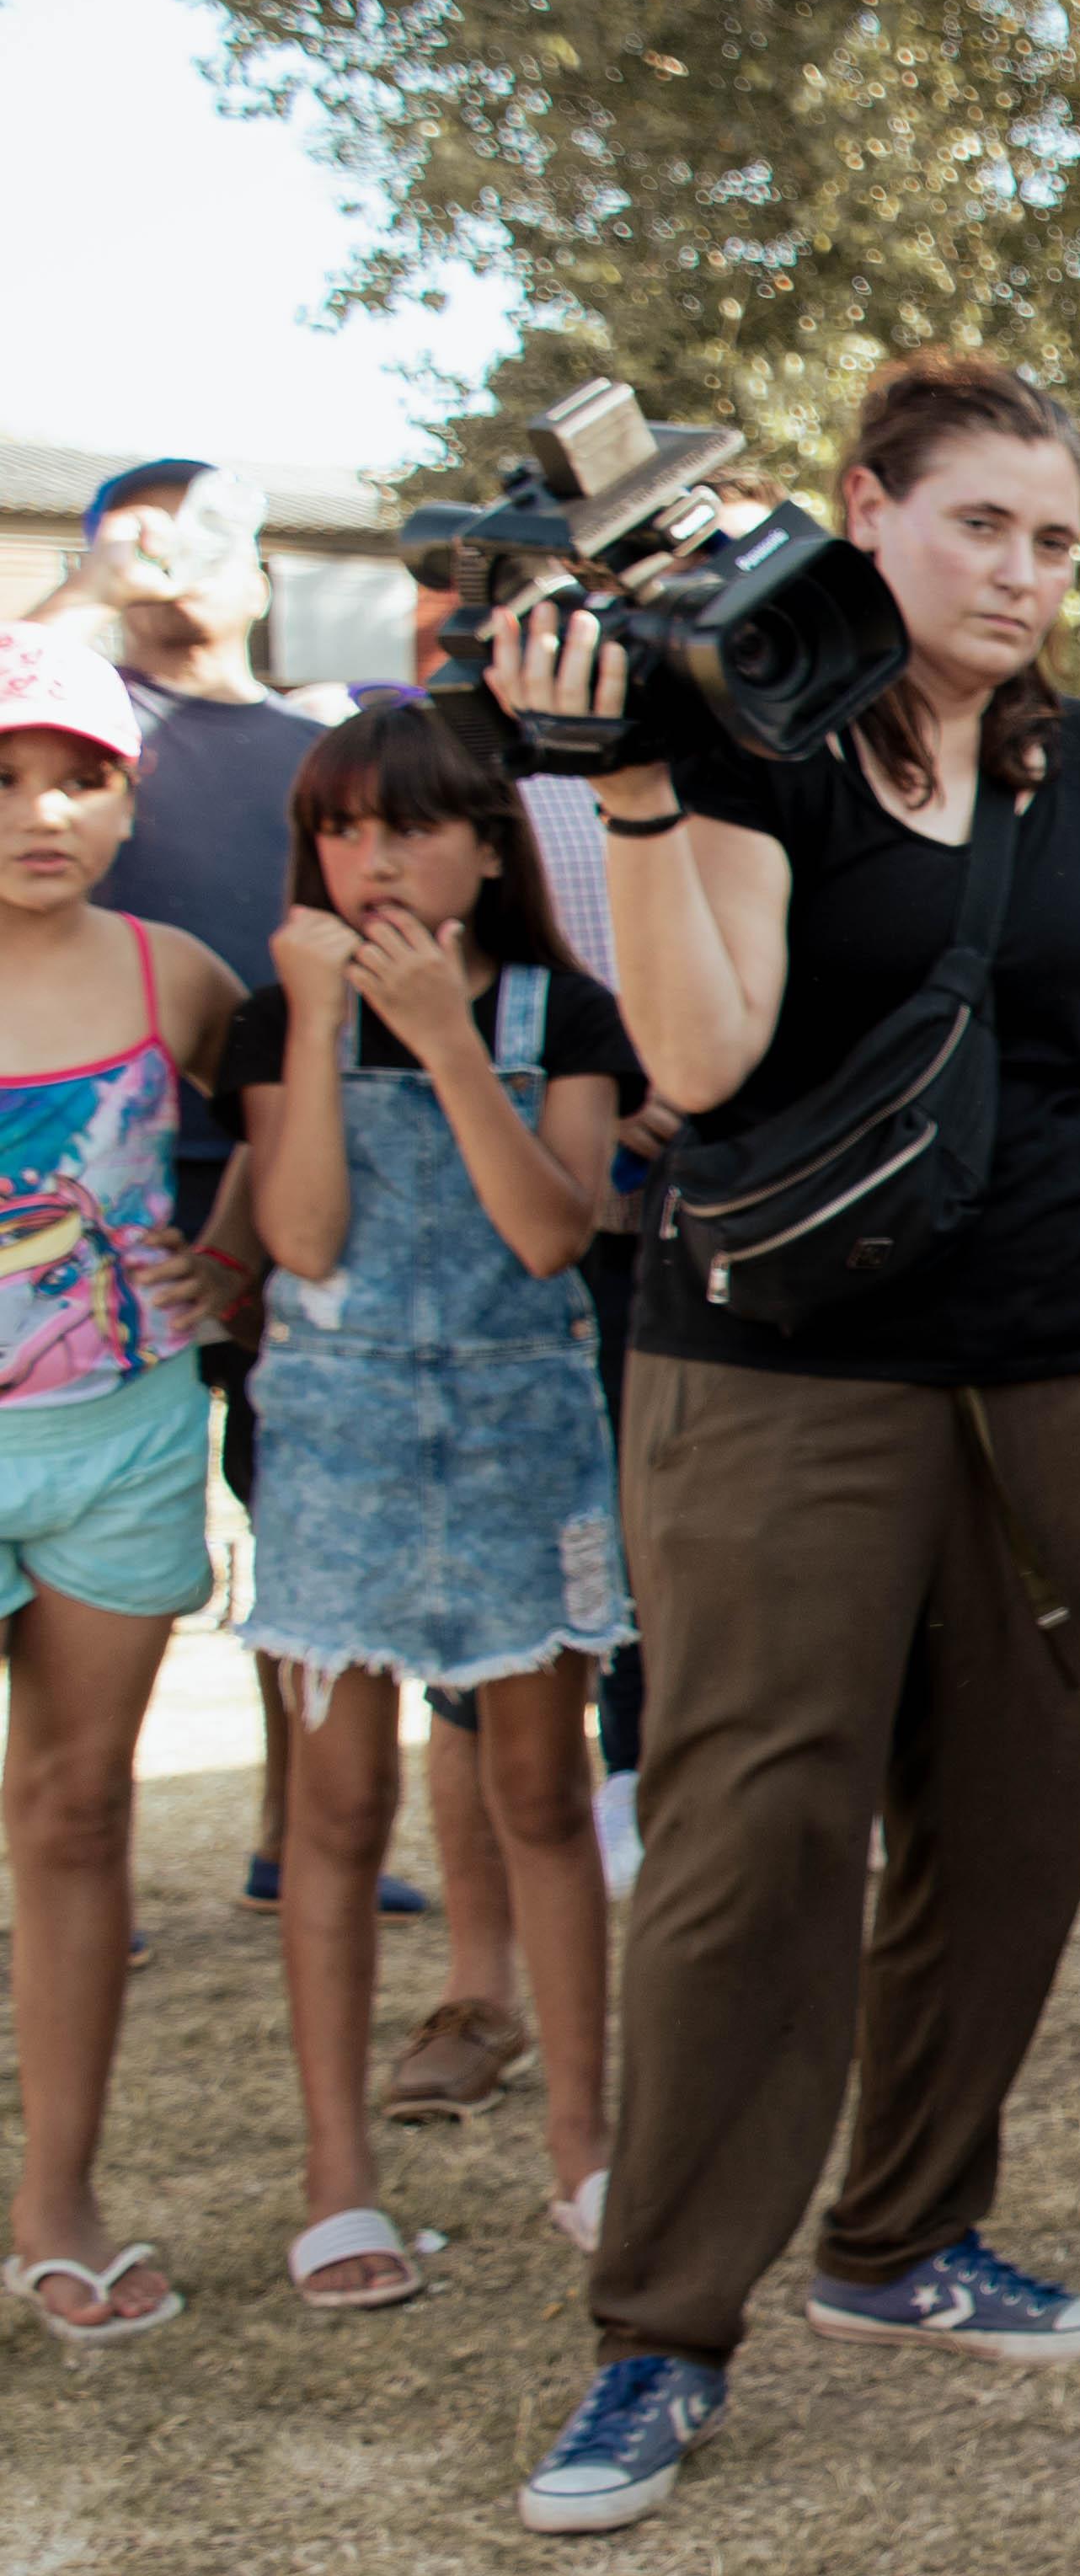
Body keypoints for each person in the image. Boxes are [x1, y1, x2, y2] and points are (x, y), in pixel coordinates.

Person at [509, 350, 1080, 2536]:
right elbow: (708, 1057)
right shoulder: (739, 741)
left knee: (1015, 1822)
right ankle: (658, 2335)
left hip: (1049, 1363)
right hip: (778, 1375)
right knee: (755, 1838)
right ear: (862, 512)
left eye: (1053, 540)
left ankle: (907, 2239)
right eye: (978, 527)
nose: (1020, 573)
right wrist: (632, 790)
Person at [226, 705, 639, 2302]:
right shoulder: (277, 1021)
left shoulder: (569, 1012)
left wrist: (457, 1051)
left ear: (487, 845)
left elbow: (554, 1230)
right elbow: (304, 1239)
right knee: (335, 1814)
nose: (373, 861)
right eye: (341, 830)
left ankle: (587, 2149)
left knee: (541, 1795)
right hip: (336, 1441)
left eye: (408, 828)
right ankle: (341, 2180)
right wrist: (328, 1034)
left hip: (525, 1432)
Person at [29, 463, 422, 1923]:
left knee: (292, 1512)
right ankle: (78, 1876)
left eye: (213, 537)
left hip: (275, 1195)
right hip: (70, 1233)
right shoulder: (76, 735)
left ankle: (296, 1837)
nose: (184, 564)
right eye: (145, 536)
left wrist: (249, 1226)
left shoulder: (315, 752)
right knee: (71, 1575)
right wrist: (92, 595)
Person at [0, 623, 241, 2346]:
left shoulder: (181, 975)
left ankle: (58, 2195)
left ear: (127, 792)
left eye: (76, 775)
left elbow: (298, 1112)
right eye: (3, 779)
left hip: (122, 1440)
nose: (39, 811)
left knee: (79, 1811)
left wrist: (225, 1259)